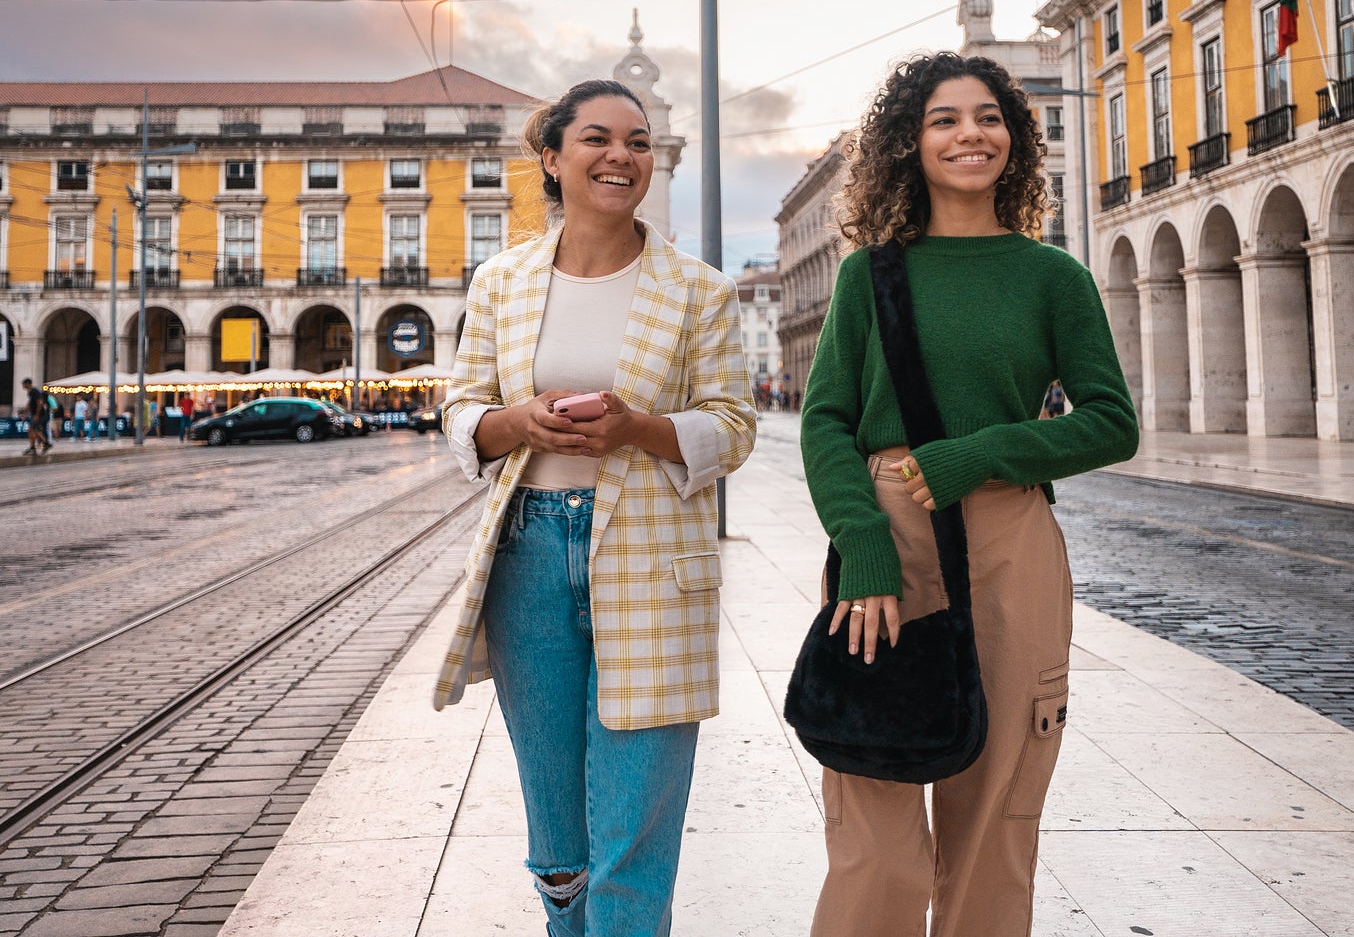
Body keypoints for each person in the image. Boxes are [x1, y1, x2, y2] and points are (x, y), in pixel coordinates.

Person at [799, 51, 1138, 937]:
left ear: (1014, 138)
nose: (969, 135)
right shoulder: (868, 276)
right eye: (943, 120)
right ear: (908, 143)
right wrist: (863, 547)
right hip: (887, 534)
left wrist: (985, 453)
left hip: (1009, 542)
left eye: (988, 117)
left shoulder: (1052, 277)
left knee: (996, 813)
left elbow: (1111, 421)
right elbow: (826, 420)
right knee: (872, 811)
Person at [435, 78, 757, 935]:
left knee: (634, 832)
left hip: (652, 557)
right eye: (598, 139)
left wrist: (637, 428)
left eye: (638, 142)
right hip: (528, 556)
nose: (622, 156)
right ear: (552, 158)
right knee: (557, 840)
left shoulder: (699, 291)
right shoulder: (500, 281)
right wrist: (519, 421)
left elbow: (734, 428)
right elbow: (461, 410)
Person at [21, 377, 51, 457]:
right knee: (34, 430)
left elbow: (39, 403)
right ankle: (41, 444)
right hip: (35, 414)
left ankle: (38, 445)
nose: (23, 386)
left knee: (32, 429)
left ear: (28, 384)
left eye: (24, 384)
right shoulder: (31, 392)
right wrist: (25, 413)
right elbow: (30, 403)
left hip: (39, 414)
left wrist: (37, 415)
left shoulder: (34, 391)